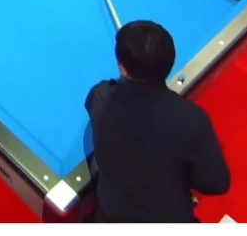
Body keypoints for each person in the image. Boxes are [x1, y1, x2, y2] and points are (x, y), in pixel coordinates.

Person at [84, 20, 231, 223]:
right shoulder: (192, 120)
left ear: (123, 68)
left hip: (110, 216)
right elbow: (216, 184)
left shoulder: (99, 97)